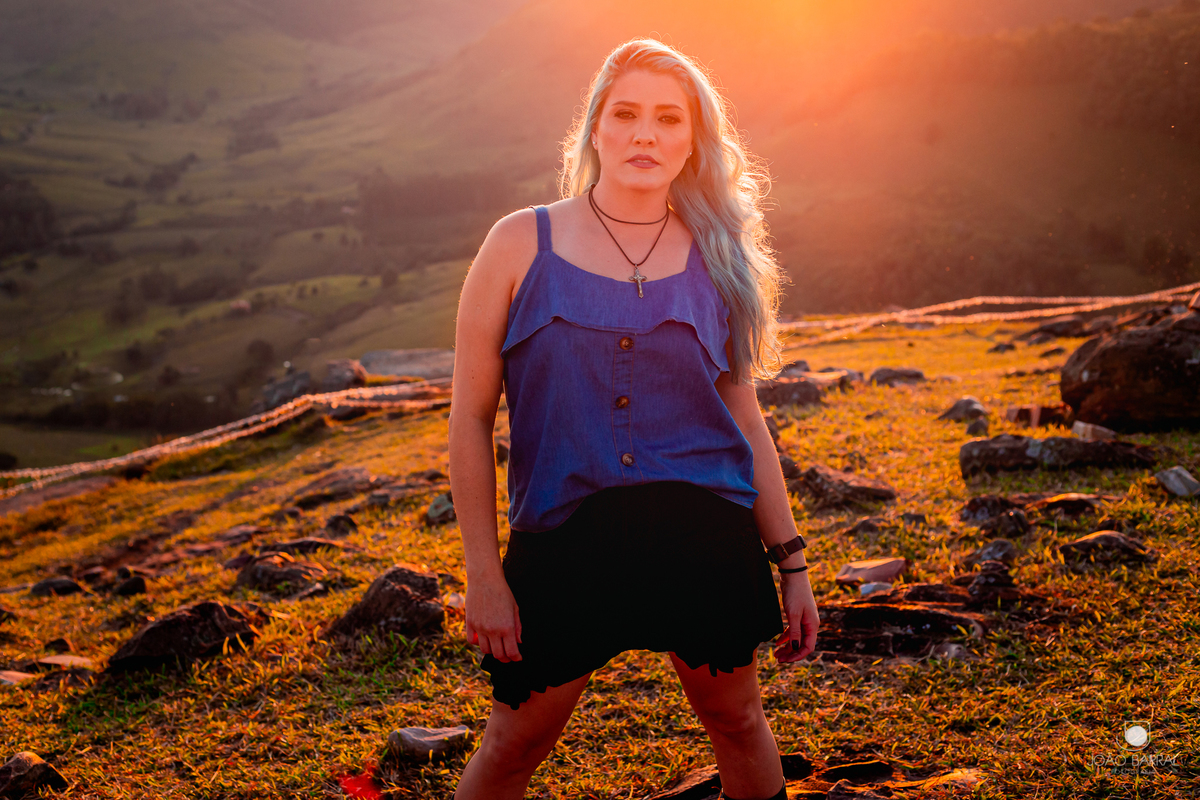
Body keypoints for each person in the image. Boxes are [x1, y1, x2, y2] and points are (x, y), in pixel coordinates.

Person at [448, 38, 820, 800]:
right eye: (626, 115)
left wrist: (793, 565)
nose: (645, 134)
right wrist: (483, 575)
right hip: (564, 542)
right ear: (595, 130)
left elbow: (745, 422)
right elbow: (469, 417)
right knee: (512, 747)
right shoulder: (520, 243)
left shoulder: (719, 258)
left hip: (702, 535)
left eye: (667, 119)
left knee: (739, 725)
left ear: (692, 142)